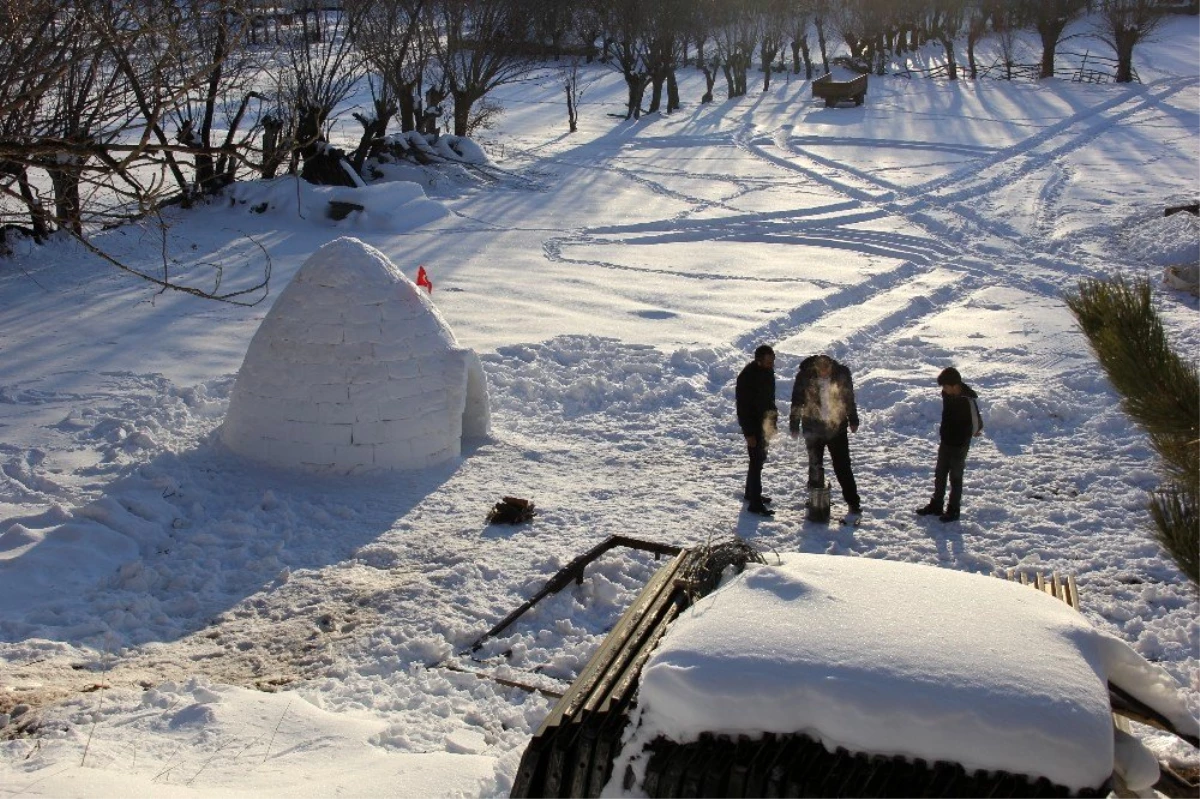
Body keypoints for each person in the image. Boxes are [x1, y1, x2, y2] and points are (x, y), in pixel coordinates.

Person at [789, 354, 861, 516]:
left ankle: (853, 502)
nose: (824, 374)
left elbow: (848, 398)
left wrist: (853, 419)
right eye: (821, 371)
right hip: (812, 427)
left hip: (837, 428)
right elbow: (797, 400)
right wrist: (794, 424)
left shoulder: (841, 374)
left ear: (831, 367)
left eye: (826, 371)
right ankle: (816, 501)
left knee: (842, 466)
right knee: (815, 465)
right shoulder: (805, 376)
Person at [916, 367, 983, 523]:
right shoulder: (947, 394)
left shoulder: (967, 399)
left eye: (945, 386)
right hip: (946, 441)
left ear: (955, 385)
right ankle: (936, 505)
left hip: (959, 446)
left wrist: (972, 431)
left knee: (956, 478)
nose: (944, 390)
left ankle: (953, 510)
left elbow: (977, 423)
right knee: (940, 474)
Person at [736, 344, 779, 516]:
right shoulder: (746, 377)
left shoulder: (768, 373)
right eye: (768, 362)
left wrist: (773, 422)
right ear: (758, 360)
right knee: (756, 462)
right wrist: (748, 433)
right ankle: (755, 503)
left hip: (765, 424)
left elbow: (770, 399)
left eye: (772, 362)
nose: (771, 365)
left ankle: (751, 493)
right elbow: (743, 408)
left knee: (759, 460)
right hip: (753, 426)